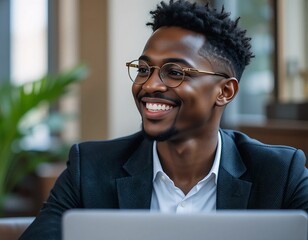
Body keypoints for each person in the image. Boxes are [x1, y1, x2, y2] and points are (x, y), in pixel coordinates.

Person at [20, 0, 308, 239]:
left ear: (225, 91)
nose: (150, 85)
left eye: (174, 72)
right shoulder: (91, 168)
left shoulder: (281, 173)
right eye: (144, 69)